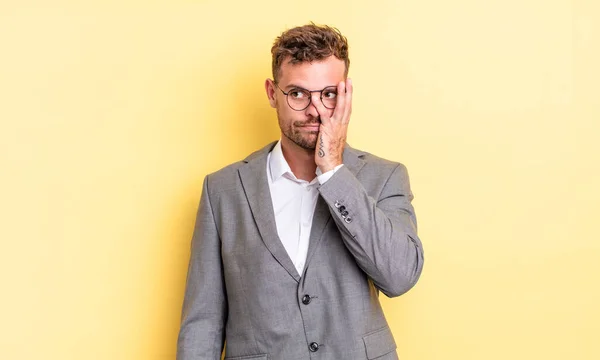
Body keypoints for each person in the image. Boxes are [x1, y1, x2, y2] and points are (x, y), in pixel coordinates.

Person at [176, 23, 424, 360]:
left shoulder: (385, 177)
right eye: (297, 93)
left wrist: (333, 170)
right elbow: (202, 322)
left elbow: (399, 277)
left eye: (328, 94)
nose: (315, 110)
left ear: (346, 94)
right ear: (271, 93)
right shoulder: (222, 190)